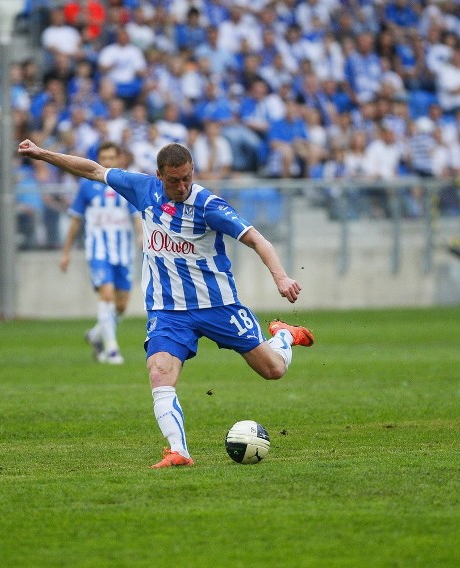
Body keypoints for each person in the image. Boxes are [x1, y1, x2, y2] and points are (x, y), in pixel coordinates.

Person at [18, 137, 315, 468]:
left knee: (273, 370)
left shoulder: (209, 206)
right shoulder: (143, 190)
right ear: (159, 176)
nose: (183, 185)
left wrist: (281, 278)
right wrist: (43, 154)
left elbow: (258, 239)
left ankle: (284, 334)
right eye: (174, 180)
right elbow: (93, 169)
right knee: (159, 373)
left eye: (188, 177)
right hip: (167, 310)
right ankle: (179, 451)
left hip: (217, 305)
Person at [59, 141, 142, 365]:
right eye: (103, 158)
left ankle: (96, 335)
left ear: (118, 159)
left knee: (121, 305)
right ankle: (112, 350)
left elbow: (136, 216)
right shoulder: (87, 186)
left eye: (111, 158)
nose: (107, 162)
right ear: (98, 159)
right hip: (98, 251)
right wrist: (65, 252)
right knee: (106, 295)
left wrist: (142, 237)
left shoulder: (125, 185)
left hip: (123, 253)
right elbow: (75, 220)